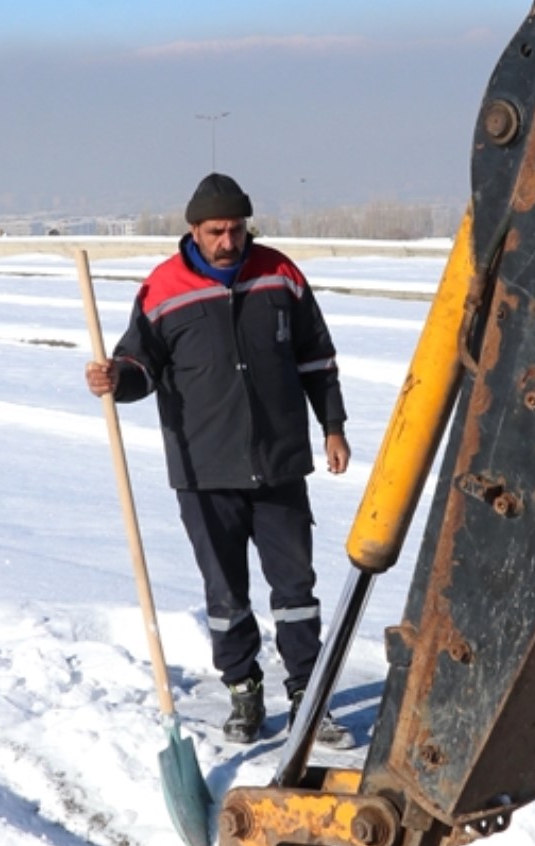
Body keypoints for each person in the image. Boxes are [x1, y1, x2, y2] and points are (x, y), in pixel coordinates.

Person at [85, 173, 352, 742]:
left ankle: (308, 693)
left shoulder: (279, 275)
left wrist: (333, 425)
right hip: (204, 469)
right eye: (215, 232)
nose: (228, 241)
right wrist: (115, 378)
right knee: (226, 593)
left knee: (296, 589)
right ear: (193, 231)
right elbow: (141, 367)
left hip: (279, 462)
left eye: (236, 229)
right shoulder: (162, 288)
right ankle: (243, 690)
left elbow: (316, 358)